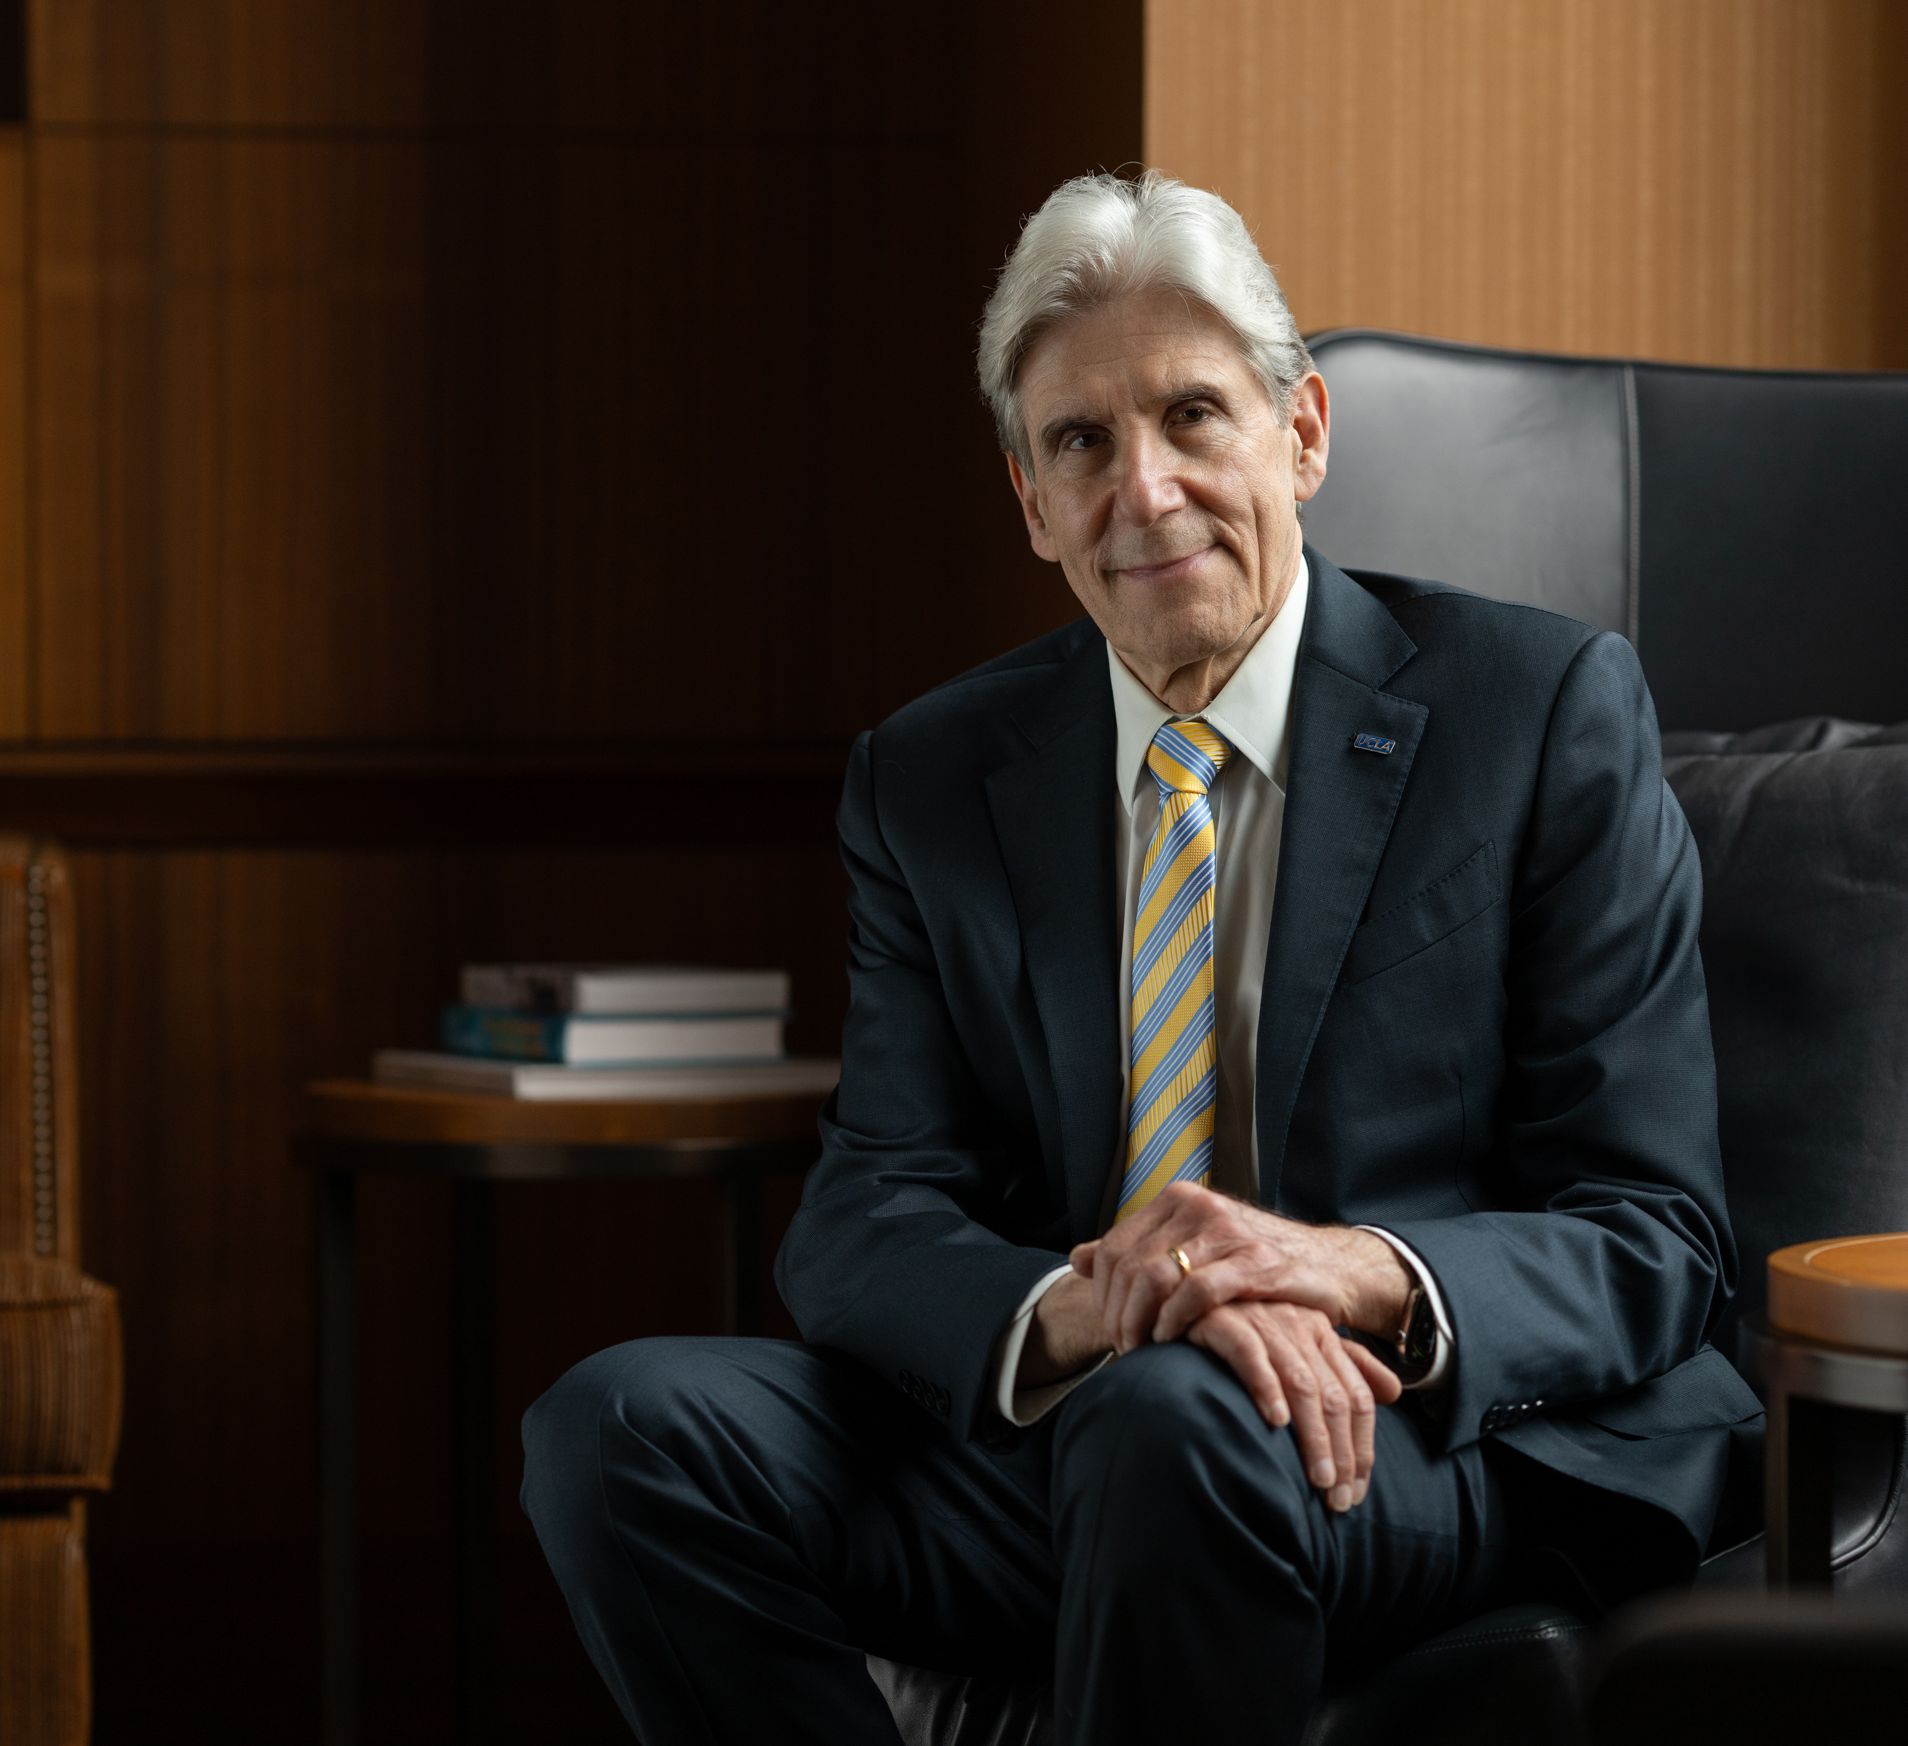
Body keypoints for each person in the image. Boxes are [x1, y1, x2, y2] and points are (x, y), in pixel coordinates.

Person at [521, 169, 1760, 1746]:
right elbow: (863, 1211)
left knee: (1176, 1425)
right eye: (1082, 443)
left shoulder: (1540, 715)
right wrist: (1099, 1304)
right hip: (1072, 1425)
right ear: (1032, 502)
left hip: (1421, 1442)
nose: (1147, 491)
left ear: (1301, 435)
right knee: (615, 1428)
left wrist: (1344, 1270)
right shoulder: (931, 778)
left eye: (1192, 417)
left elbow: (1659, 1230)